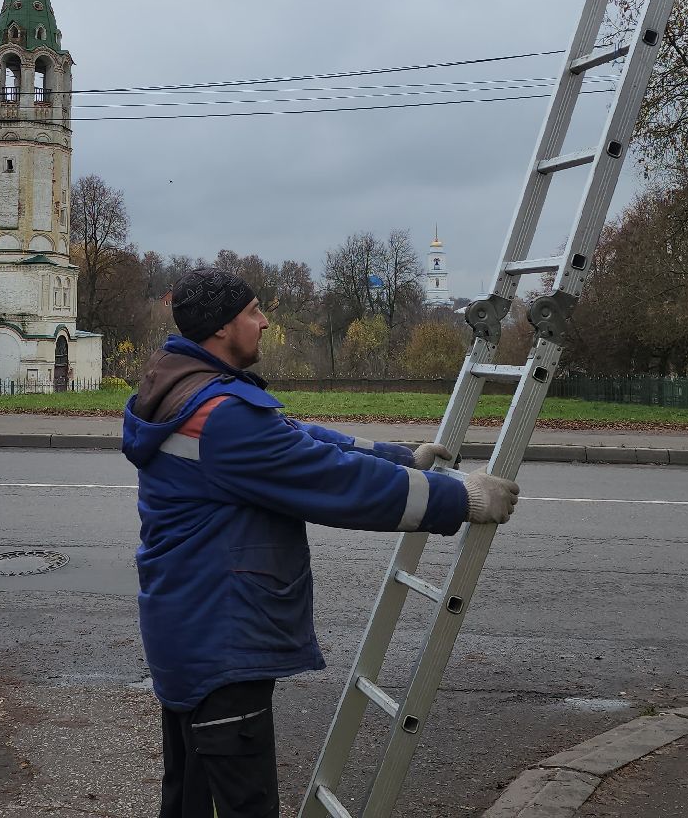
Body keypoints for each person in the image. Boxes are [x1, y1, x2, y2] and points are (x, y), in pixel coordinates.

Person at [123, 267, 520, 818]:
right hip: (222, 640)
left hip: (191, 628)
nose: (264, 322)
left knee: (190, 800)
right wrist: (462, 499)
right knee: (244, 804)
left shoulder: (189, 388)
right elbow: (333, 481)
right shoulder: (222, 418)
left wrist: (397, 457)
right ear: (220, 329)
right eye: (253, 312)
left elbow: (297, 440)